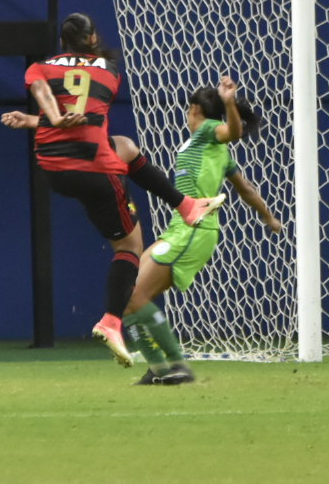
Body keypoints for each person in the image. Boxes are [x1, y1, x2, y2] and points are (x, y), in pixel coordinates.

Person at [0, 13, 223, 364]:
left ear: (62, 42)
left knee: (127, 146)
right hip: (93, 168)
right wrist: (61, 118)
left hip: (52, 169)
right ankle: (111, 321)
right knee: (130, 246)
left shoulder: (40, 67)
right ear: (92, 39)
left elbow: (46, 94)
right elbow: (88, 116)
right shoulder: (109, 70)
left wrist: (42, 119)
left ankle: (186, 206)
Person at [119, 77, 282, 385]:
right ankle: (158, 369)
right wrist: (268, 217)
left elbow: (233, 132)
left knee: (135, 295)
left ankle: (176, 365)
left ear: (193, 109)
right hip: (180, 228)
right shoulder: (208, 149)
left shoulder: (208, 131)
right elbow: (245, 188)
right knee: (126, 294)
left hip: (194, 229)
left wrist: (229, 103)